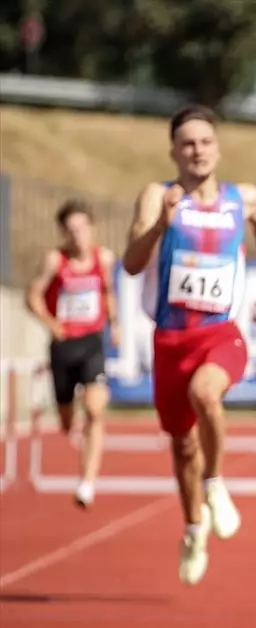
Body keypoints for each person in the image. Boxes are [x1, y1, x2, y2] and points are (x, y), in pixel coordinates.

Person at [122, 103, 256, 586]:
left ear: (218, 148)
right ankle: (194, 528)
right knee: (182, 445)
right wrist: (159, 225)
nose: (197, 151)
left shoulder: (244, 198)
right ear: (173, 151)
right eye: (188, 144)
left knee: (206, 394)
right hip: (171, 338)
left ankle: (216, 484)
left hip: (221, 334)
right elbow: (132, 264)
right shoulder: (158, 196)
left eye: (205, 142)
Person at [24, 199, 120, 508]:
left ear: (92, 228)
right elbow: (32, 296)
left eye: (82, 229)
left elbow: (108, 292)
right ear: (64, 233)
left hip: (92, 341)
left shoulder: (103, 258)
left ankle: (87, 482)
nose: (77, 236)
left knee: (95, 409)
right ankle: (72, 423)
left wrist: (115, 324)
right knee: (66, 421)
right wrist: (50, 323)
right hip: (63, 345)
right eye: (71, 230)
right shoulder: (54, 260)